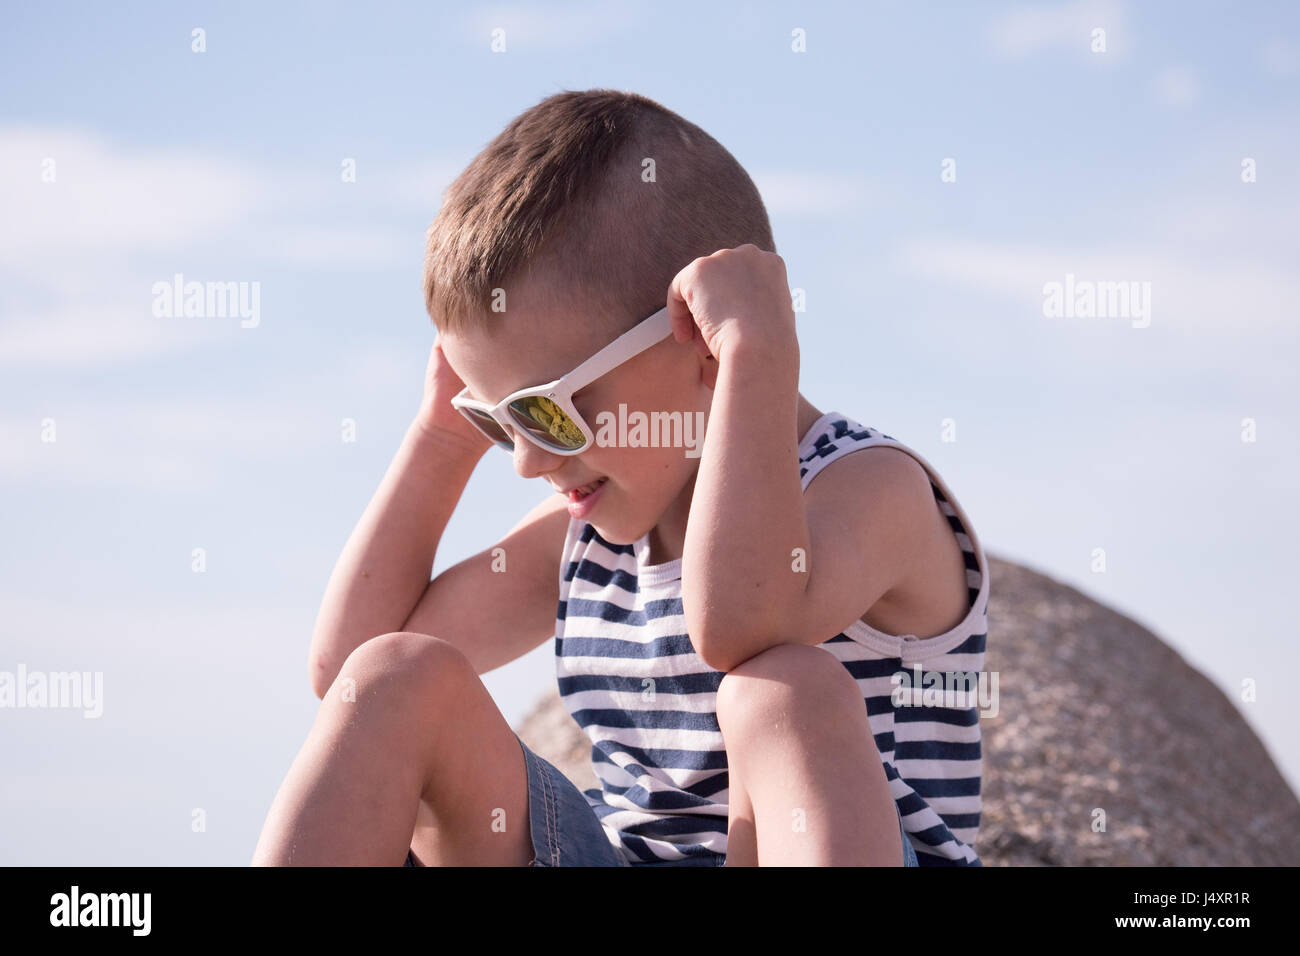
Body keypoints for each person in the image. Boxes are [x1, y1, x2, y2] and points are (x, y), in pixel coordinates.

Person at [251, 89, 989, 867]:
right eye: (498, 421)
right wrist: (440, 437)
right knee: (395, 677)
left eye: (548, 411)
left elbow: (742, 626)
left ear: (703, 346)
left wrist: (761, 359)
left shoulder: (869, 490)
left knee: (781, 691)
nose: (529, 461)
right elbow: (349, 669)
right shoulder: (587, 539)